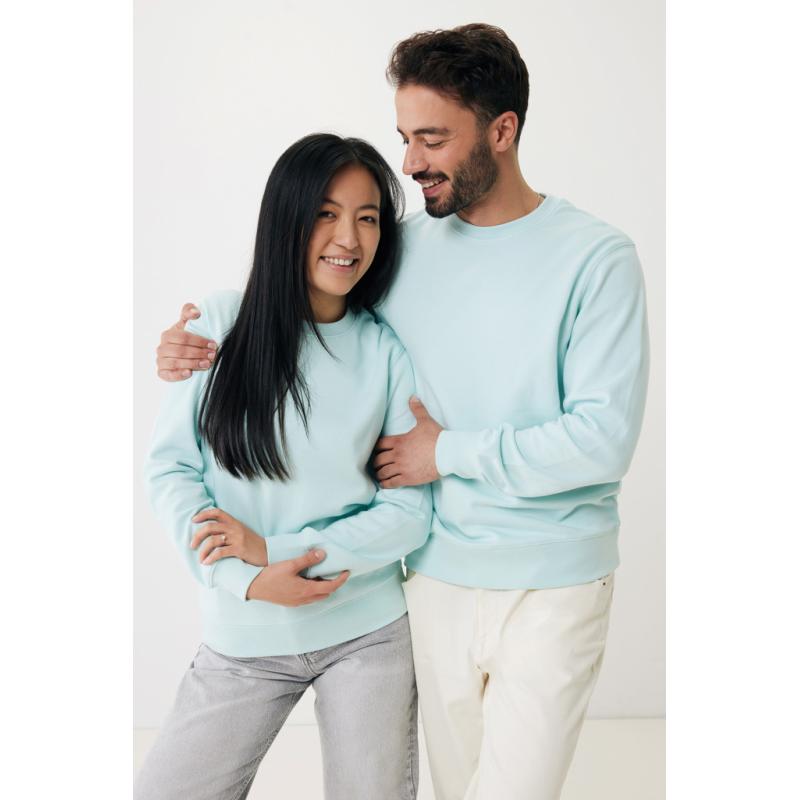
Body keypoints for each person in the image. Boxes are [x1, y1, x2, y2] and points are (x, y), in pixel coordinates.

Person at [155, 24, 649, 800]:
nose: (411, 162)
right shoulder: (398, 252)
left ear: (502, 131)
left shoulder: (597, 257)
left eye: (432, 139)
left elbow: (604, 441)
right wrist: (193, 343)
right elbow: (301, 311)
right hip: (435, 579)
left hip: (552, 578)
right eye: (405, 138)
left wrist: (443, 453)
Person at [136, 133, 432, 800]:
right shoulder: (220, 323)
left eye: (367, 218)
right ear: (286, 218)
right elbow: (172, 471)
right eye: (325, 213)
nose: (348, 239)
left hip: (367, 633)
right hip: (243, 631)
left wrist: (278, 552)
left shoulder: (385, 353)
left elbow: (409, 513)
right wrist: (244, 578)